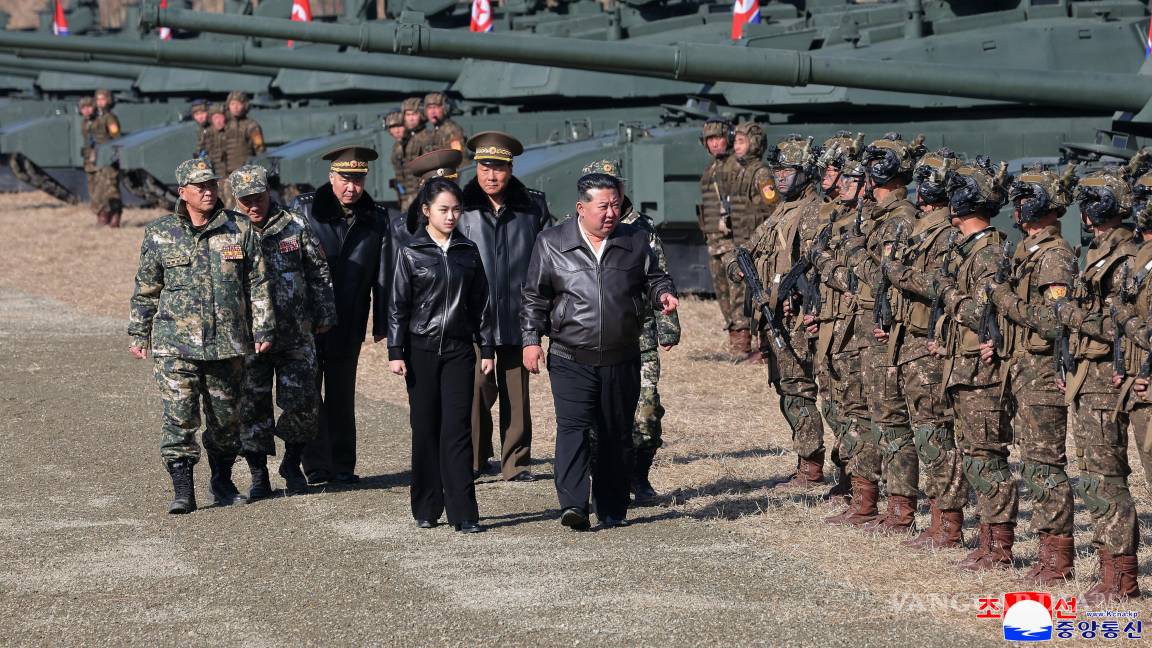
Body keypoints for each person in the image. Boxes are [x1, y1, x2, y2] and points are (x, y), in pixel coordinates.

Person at [521, 172, 679, 530]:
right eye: (603, 205)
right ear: (581, 207)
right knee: (573, 430)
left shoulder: (636, 241)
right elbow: (534, 296)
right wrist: (531, 339)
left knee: (615, 432)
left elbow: (655, 279)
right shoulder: (551, 242)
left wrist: (662, 295)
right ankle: (574, 505)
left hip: (622, 355)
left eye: (616, 205)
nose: (611, 212)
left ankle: (611, 508)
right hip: (569, 355)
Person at [128, 158, 274, 514]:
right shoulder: (161, 233)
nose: (208, 192)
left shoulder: (239, 229)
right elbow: (147, 287)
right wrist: (139, 332)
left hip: (227, 344)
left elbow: (257, 283)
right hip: (175, 346)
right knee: (179, 418)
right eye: (200, 187)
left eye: (212, 185)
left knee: (226, 422)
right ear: (183, 193)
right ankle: (182, 491)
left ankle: (222, 482)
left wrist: (263, 326)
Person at [1037, 167, 1141, 601]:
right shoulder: (1098, 253)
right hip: (1088, 376)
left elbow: (1124, 324)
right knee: (1095, 477)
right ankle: (1107, 570)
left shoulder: (1123, 259)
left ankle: (1121, 578)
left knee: (1107, 478)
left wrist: (1071, 316)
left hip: (1104, 380)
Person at [977, 165, 1079, 580]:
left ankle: (1057, 559)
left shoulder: (1054, 256)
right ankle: (1025, 549)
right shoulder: (1025, 251)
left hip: (1040, 372)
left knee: (1043, 465)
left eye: (1025, 199)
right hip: (1016, 367)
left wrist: (1002, 299)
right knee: (1028, 461)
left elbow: (1054, 321)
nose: (1017, 208)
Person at [388, 178, 495, 533]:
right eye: (443, 210)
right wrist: (395, 350)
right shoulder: (410, 251)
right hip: (420, 351)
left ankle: (464, 512)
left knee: (457, 430)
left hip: (459, 351)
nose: (451, 216)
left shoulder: (468, 252)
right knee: (425, 429)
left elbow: (482, 304)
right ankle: (426, 507)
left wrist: (487, 348)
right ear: (426, 211)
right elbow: (397, 305)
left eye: (455, 210)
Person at [228, 164, 337, 499]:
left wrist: (324, 312)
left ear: (269, 192)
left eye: (258, 196)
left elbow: (318, 271)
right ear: (235, 198)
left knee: (303, 403)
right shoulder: (227, 231)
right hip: (248, 338)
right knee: (251, 407)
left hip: (295, 333)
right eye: (245, 199)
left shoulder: (294, 224)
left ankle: (292, 463)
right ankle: (259, 475)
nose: (253, 205)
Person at [578, 159, 681, 502]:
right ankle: (602, 481)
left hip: (642, 336)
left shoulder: (641, 228)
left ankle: (639, 477)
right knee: (596, 415)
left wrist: (668, 326)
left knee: (647, 410)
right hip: (595, 337)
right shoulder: (573, 228)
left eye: (615, 184)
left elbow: (660, 276)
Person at [291, 145, 393, 485]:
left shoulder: (376, 218)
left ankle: (343, 464)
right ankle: (316, 464)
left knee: (341, 392)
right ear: (331, 177)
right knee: (309, 392)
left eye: (359, 179)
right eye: (345, 179)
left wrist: (382, 322)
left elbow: (383, 274)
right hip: (307, 321)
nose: (352, 187)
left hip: (349, 319)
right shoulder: (304, 211)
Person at [879, 148, 966, 547]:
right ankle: (928, 517)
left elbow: (939, 286)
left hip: (929, 346)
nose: (919, 185)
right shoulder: (920, 228)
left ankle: (947, 524)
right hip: (908, 340)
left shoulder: (948, 235)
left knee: (936, 435)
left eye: (928, 178)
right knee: (921, 431)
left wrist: (899, 273)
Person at [933, 158, 1013, 570]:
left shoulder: (988, 253)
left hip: (981, 372)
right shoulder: (968, 251)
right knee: (974, 454)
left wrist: (947, 294)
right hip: (962, 366)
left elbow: (984, 313)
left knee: (986, 455)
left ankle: (998, 548)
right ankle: (987, 541)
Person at [460, 131, 552, 481]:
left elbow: (549, 254)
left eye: (498, 168)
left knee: (516, 391)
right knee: (476, 388)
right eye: (485, 168)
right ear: (476, 168)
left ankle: (516, 462)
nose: (491, 176)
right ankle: (475, 458)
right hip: (473, 314)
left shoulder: (533, 207)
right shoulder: (462, 206)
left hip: (518, 311)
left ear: (510, 169)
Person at [724, 121, 778, 363]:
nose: (736, 145)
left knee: (760, 296)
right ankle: (744, 346)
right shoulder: (740, 171)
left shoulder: (761, 174)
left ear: (754, 144)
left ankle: (765, 349)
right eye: (735, 141)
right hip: (743, 244)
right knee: (742, 298)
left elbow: (775, 209)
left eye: (742, 141)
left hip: (759, 248)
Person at [697, 118, 743, 360]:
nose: (715, 144)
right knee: (723, 295)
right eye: (710, 139)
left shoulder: (736, 167)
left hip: (732, 242)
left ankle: (743, 346)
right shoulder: (711, 169)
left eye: (719, 138)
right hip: (715, 241)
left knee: (738, 295)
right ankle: (735, 339)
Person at [82, 90, 123, 227]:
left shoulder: (109, 118)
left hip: (107, 158)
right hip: (93, 159)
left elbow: (116, 135)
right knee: (96, 190)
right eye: (98, 99)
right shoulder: (91, 119)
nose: (100, 102)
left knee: (110, 189)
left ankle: (114, 216)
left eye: (103, 99)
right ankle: (102, 215)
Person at [395, 97, 426, 210]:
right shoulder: (405, 140)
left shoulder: (428, 137)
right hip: (408, 196)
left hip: (422, 195)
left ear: (421, 115)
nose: (411, 118)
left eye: (414, 114)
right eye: (408, 115)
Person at [224, 91, 265, 175]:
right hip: (224, 172)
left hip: (245, 172)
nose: (235, 107)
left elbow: (260, 148)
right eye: (232, 104)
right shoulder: (224, 125)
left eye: (239, 104)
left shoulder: (252, 126)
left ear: (245, 106)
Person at [198, 103, 229, 184]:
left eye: (220, 117)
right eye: (215, 118)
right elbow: (201, 155)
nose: (218, 121)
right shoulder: (206, 134)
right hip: (215, 175)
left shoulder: (232, 132)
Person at [385, 110, 411, 205]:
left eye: (400, 126)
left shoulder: (415, 143)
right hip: (405, 198)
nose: (397, 131)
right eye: (393, 127)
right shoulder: (397, 147)